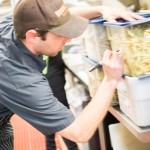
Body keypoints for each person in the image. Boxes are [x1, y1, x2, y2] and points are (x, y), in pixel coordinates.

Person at [0, 0, 143, 150]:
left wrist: (103, 9)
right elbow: (79, 133)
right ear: (33, 36)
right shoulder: (20, 79)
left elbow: (61, 18)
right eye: (60, 34)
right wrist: (110, 79)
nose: (69, 40)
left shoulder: (17, 25)